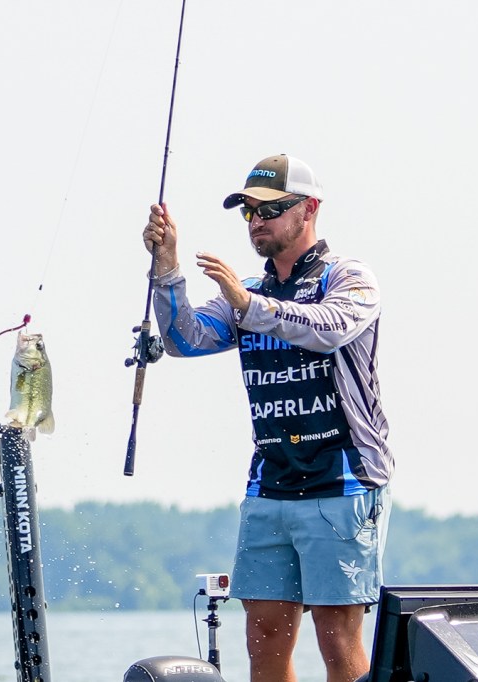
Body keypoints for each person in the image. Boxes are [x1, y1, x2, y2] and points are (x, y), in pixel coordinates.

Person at [142, 154, 393, 682]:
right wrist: (167, 268)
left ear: (309, 209)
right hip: (270, 485)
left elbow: (327, 328)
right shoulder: (249, 292)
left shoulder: (349, 278)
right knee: (264, 638)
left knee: (336, 635)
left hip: (343, 481)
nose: (257, 221)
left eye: (270, 210)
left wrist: (249, 305)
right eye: (249, 212)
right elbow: (184, 339)